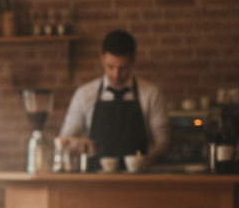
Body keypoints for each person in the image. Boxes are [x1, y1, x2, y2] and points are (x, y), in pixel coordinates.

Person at [59, 29, 170, 169]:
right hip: (94, 182)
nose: (116, 75)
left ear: (133, 59)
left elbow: (163, 143)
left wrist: (150, 158)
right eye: (110, 67)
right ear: (101, 57)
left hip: (139, 180)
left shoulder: (151, 94)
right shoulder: (84, 95)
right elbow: (64, 139)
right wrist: (77, 143)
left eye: (123, 68)